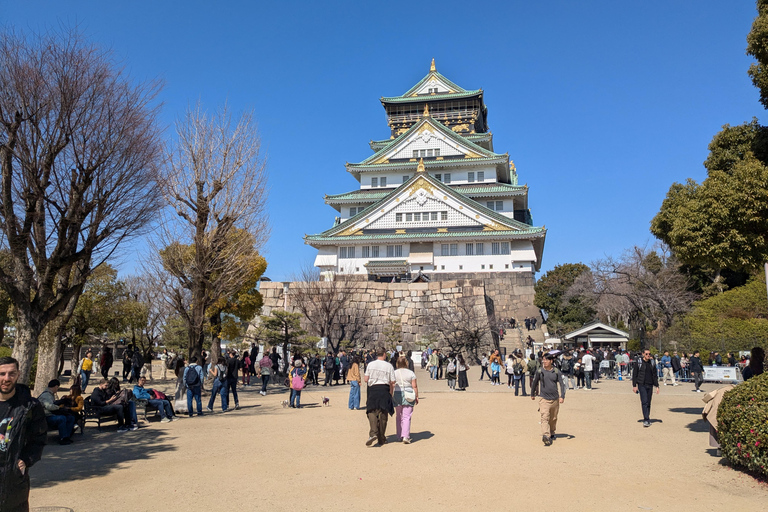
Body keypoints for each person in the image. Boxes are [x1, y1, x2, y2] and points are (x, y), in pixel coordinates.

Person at [0, 356, 47, 512]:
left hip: (13, 479)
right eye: (2, 373)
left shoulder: (29, 406)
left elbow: (39, 438)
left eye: (11, 373)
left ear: (18, 374)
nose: (6, 378)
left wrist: (26, 460)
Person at [531, 353, 566, 446]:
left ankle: (552, 432)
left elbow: (562, 384)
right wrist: (532, 394)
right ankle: (546, 436)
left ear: (551, 361)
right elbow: (535, 383)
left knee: (553, 418)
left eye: (546, 360)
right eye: (543, 360)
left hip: (555, 398)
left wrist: (562, 396)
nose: (544, 361)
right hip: (543, 398)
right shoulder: (540, 371)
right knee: (544, 417)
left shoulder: (556, 371)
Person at [364, 348, 396, 447]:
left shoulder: (370, 364)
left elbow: (366, 379)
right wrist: (391, 392)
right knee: (383, 413)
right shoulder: (388, 366)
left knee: (371, 411)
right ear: (384, 354)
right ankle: (381, 437)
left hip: (373, 389)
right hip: (384, 389)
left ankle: (373, 433)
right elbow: (393, 381)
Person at [38, 379, 75, 445]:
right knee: (61, 418)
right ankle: (63, 438)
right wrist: (59, 407)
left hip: (51, 414)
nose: (57, 389)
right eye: (57, 388)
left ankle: (67, 436)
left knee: (70, 417)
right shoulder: (46, 395)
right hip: (46, 416)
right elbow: (49, 407)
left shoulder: (50, 394)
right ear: (56, 386)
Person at [393, 356, 419, 444]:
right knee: (407, 416)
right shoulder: (411, 373)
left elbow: (392, 384)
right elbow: (414, 386)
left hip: (397, 393)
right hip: (408, 393)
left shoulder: (394, 373)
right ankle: (405, 436)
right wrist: (416, 396)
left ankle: (399, 435)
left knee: (399, 416)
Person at [632, 349, 660, 427]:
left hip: (650, 384)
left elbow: (654, 375)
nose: (648, 355)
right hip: (642, 384)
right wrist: (634, 386)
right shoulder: (639, 362)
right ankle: (646, 419)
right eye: (647, 354)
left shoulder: (652, 362)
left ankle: (647, 416)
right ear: (643, 354)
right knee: (644, 401)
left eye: (649, 354)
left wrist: (657, 386)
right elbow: (635, 374)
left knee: (648, 402)